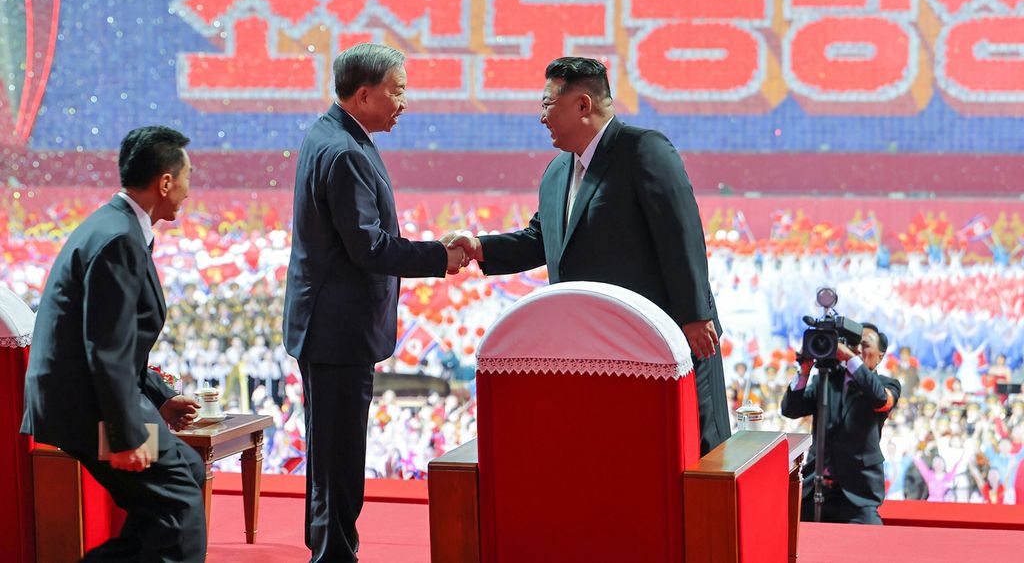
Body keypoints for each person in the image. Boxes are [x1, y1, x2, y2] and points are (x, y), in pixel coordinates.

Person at [449, 56, 730, 455]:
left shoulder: (643, 150)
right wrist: (480, 248)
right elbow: (540, 239)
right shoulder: (556, 172)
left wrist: (695, 315)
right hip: (591, 348)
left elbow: (680, 234)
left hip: (666, 343)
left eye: (548, 105)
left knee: (689, 452)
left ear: (583, 104)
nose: (542, 118)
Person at [283, 43, 466, 563]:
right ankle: (333, 555)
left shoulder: (332, 133)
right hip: (337, 329)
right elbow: (368, 247)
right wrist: (440, 256)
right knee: (339, 456)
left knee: (329, 451)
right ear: (364, 95)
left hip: (327, 323)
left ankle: (327, 545)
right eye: (397, 90)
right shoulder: (344, 152)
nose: (404, 102)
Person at [21, 126, 206, 562]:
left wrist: (160, 398)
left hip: (92, 401)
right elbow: (106, 347)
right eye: (188, 178)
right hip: (88, 412)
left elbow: (119, 339)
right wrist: (125, 436)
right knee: (178, 500)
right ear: (165, 182)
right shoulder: (120, 237)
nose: (189, 189)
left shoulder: (120, 226)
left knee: (183, 477)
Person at [781, 323, 902, 524]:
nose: (858, 350)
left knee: (871, 541)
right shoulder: (826, 380)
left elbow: (881, 400)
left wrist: (850, 358)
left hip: (858, 494)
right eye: (854, 344)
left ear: (880, 356)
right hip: (815, 487)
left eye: (865, 345)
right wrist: (804, 370)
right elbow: (790, 409)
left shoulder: (887, 385)